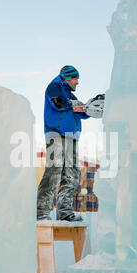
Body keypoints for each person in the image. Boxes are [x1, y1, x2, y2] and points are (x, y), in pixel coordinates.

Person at [37, 65, 90, 222]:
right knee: (54, 170)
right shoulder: (54, 87)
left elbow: (80, 112)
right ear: (67, 77)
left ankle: (64, 213)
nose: (77, 82)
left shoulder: (70, 96)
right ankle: (41, 212)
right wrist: (76, 105)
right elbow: (58, 103)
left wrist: (89, 107)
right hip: (56, 134)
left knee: (71, 174)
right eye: (75, 78)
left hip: (72, 137)